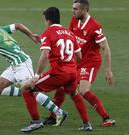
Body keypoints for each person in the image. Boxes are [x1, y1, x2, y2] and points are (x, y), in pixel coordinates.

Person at [0, 21, 68, 131]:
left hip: (22, 64)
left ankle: (55, 114)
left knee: (32, 91)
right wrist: (31, 35)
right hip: (14, 65)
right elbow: (18, 25)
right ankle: (36, 101)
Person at [45, 0, 116, 128]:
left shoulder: (95, 26)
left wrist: (108, 70)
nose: (73, 11)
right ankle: (53, 117)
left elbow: (106, 48)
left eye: (76, 9)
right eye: (73, 8)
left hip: (90, 62)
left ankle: (106, 118)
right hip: (77, 61)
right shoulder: (74, 20)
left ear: (84, 10)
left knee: (83, 90)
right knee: (61, 86)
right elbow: (70, 38)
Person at [20, 7, 92, 132]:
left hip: (58, 73)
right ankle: (87, 124)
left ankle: (36, 122)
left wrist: (36, 75)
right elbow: (79, 56)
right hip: (72, 72)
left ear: (48, 21)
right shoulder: (70, 33)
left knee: (26, 88)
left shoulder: (48, 33)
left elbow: (44, 56)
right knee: (75, 94)